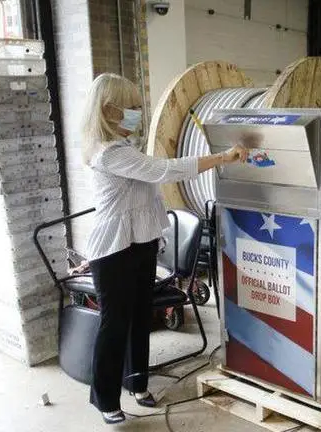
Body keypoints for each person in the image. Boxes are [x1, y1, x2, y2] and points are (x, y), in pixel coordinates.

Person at [80, 73, 247, 424]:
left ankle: (137, 383)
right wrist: (222, 158)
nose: (138, 114)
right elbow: (164, 171)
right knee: (114, 325)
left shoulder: (124, 148)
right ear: (109, 111)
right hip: (113, 251)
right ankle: (105, 398)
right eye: (132, 108)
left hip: (139, 244)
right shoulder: (110, 154)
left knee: (140, 316)